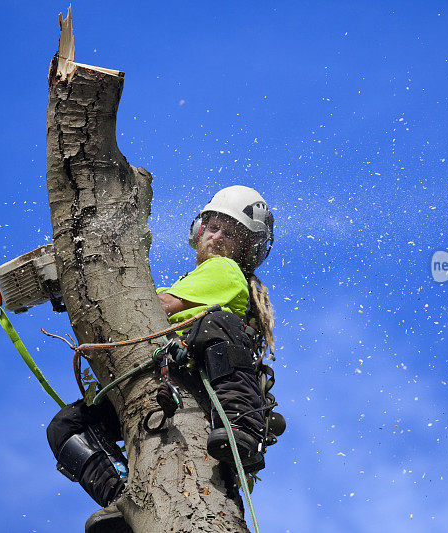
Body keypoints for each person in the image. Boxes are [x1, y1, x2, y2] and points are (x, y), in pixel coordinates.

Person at [46, 186, 278, 533]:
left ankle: (241, 428)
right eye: (213, 227)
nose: (216, 237)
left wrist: (96, 289)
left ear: (246, 248)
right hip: (170, 377)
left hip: (210, 377)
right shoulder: (195, 278)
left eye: (230, 233)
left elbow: (162, 307)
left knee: (214, 322)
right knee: (68, 426)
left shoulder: (226, 270)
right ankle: (124, 499)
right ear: (199, 230)